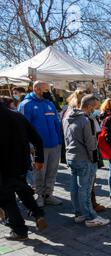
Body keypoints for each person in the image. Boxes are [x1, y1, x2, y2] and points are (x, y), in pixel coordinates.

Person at [0, 98, 47, 241]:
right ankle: (38, 213)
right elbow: (38, 139)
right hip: (20, 164)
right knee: (22, 189)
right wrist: (39, 159)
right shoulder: (18, 116)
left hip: (3, 168)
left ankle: (19, 229)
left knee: (7, 199)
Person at [63, 95, 110, 227]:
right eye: (94, 107)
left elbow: (66, 138)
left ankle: (79, 213)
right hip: (84, 158)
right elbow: (90, 144)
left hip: (71, 156)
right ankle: (90, 216)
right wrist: (94, 159)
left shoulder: (67, 117)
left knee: (75, 188)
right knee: (85, 188)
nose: (95, 110)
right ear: (89, 106)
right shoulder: (85, 120)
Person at [18, 81, 63, 208]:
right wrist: (29, 145)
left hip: (54, 145)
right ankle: (39, 196)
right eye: (46, 89)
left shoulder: (49, 104)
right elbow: (22, 127)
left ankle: (48, 195)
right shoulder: (26, 105)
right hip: (38, 147)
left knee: (52, 171)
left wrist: (59, 141)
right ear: (37, 89)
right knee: (39, 172)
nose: (48, 92)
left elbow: (56, 123)